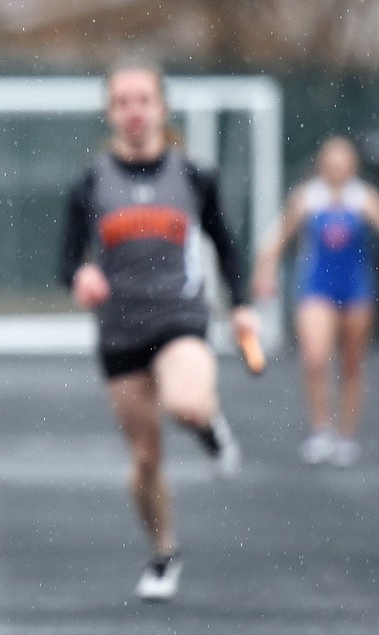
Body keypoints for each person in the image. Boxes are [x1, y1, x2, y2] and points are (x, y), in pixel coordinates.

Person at [58, 60, 259, 603]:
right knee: (146, 462)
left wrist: (240, 305)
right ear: (110, 112)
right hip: (119, 331)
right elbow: (67, 260)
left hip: (180, 317)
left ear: (161, 108)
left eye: (143, 99)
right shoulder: (90, 182)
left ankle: (209, 424)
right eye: (122, 101)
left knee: (188, 403)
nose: (134, 111)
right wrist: (83, 274)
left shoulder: (193, 176)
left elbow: (226, 243)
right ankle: (164, 553)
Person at [252, 135, 379, 467]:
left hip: (355, 290)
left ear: (352, 165)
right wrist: (264, 271)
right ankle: (321, 429)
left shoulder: (364, 198)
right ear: (322, 165)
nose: (337, 168)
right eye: (331, 161)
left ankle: (346, 435)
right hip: (316, 288)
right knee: (315, 358)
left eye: (343, 161)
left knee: (352, 364)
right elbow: (277, 238)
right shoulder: (307, 198)